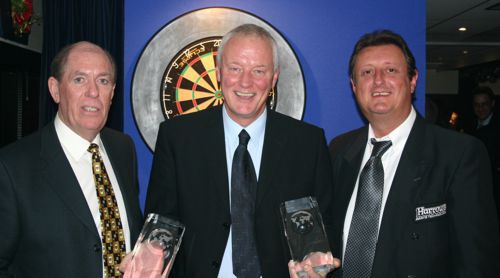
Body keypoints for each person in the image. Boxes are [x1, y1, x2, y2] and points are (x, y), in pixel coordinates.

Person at [145, 24, 336, 277]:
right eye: (235, 69)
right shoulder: (177, 137)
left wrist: (316, 259)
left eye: (259, 71)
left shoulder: (307, 143)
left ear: (274, 77)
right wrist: (150, 256)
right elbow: (162, 222)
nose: (246, 82)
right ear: (219, 73)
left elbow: (325, 227)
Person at [328, 30, 499, 277]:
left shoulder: (459, 154)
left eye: (390, 70)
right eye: (367, 72)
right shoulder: (339, 149)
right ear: (354, 86)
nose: (378, 81)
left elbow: (477, 263)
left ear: (413, 80)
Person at [0, 41, 143, 277]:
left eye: (103, 81)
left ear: (112, 93)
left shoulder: (123, 149)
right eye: (79, 79)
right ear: (55, 90)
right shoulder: (11, 167)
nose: (93, 91)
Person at [466, 86, 500, 231]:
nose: (480, 108)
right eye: (477, 105)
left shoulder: (497, 129)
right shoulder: (469, 126)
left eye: (484, 104)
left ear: (492, 104)